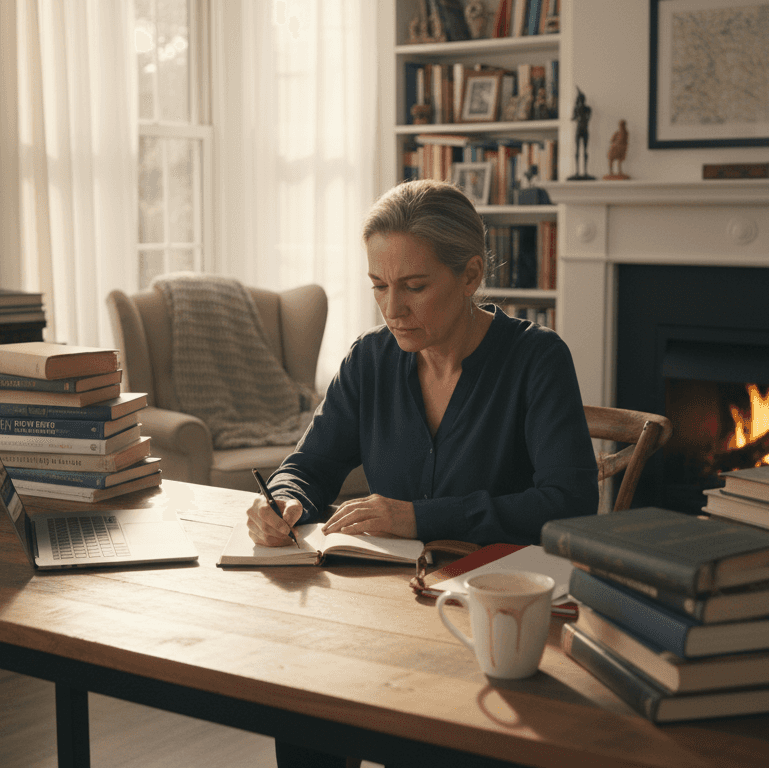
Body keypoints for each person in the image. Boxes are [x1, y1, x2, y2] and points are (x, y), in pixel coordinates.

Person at [248, 178, 600, 768]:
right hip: (382, 616)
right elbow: (309, 466)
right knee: (302, 705)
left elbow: (568, 503)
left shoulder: (538, 360)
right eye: (379, 287)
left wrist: (417, 517)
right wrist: (280, 501)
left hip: (492, 626)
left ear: (470, 275)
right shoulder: (369, 359)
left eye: (414, 287)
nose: (392, 310)